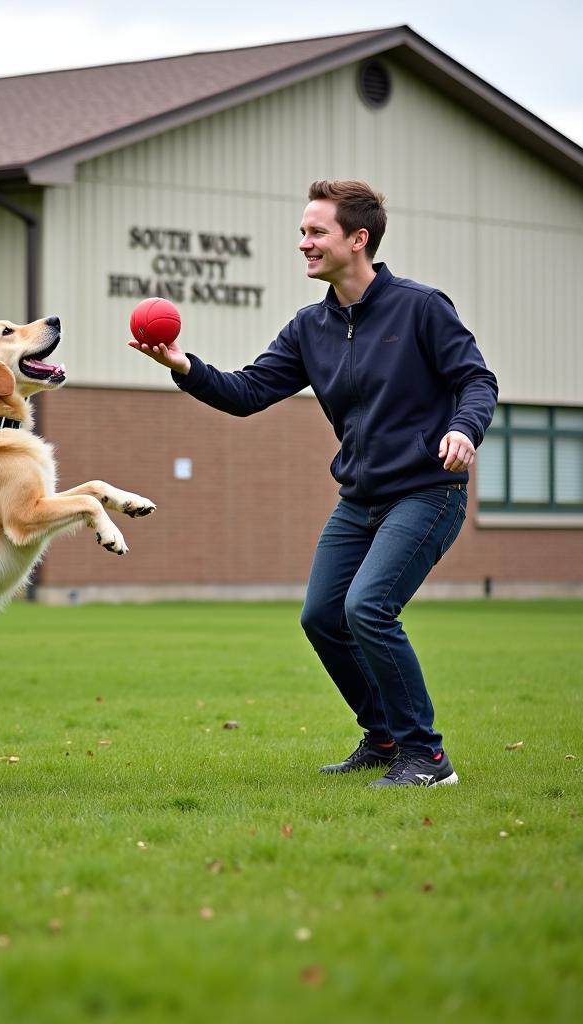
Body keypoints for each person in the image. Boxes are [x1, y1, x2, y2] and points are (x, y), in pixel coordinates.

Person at [130, 179, 498, 787]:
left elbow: (476, 380)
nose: (303, 243)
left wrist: (464, 430)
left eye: (315, 231)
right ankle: (383, 737)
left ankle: (427, 757)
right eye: (303, 231)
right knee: (323, 616)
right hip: (359, 500)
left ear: (359, 240)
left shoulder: (422, 307)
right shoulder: (311, 326)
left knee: (369, 608)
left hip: (427, 492)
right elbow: (249, 392)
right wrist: (183, 367)